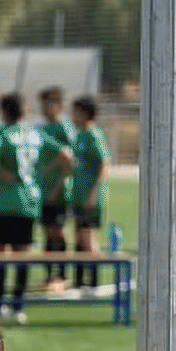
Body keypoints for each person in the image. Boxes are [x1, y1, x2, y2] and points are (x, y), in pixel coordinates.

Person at [0, 91, 45, 322]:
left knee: (0, 253)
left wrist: (1, 172)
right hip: (29, 199)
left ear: (4, 111)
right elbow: (65, 155)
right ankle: (19, 304)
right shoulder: (34, 134)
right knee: (22, 254)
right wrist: (42, 176)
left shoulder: (2, 133)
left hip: (4, 202)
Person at [68, 96, 111, 292]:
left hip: (89, 198)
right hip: (78, 195)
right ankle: (79, 282)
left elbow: (104, 163)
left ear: (85, 113)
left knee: (88, 238)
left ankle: (93, 282)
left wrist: (93, 193)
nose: (72, 116)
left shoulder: (94, 134)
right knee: (79, 237)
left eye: (75, 111)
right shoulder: (80, 134)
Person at [34, 86, 76, 279]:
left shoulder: (64, 128)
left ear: (58, 106)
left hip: (59, 191)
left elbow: (70, 160)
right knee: (47, 233)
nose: (44, 107)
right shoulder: (42, 128)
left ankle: (63, 273)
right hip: (43, 190)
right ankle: (50, 274)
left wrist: (58, 185)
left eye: (49, 103)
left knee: (59, 231)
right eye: (42, 103)